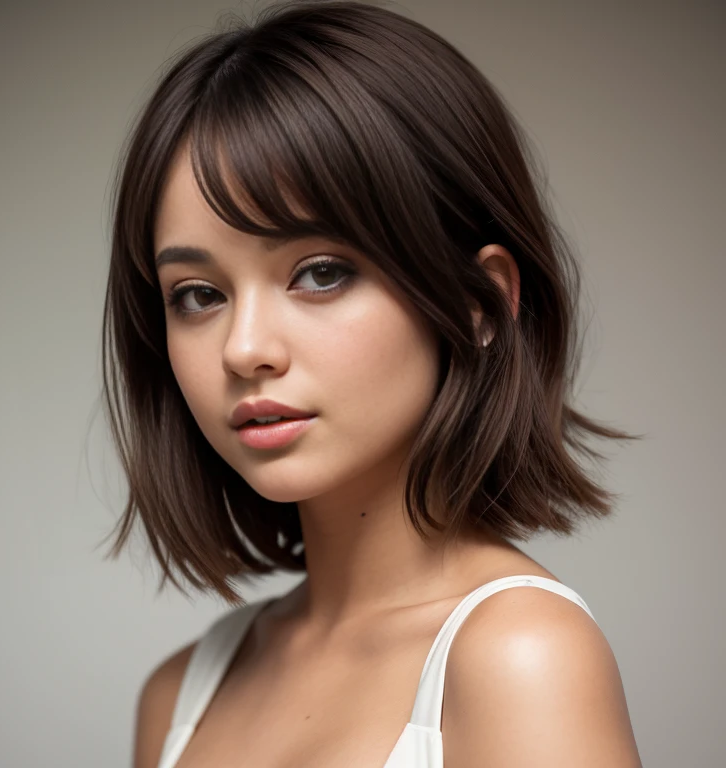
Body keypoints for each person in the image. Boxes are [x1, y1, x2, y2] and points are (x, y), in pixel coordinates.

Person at [100, 1, 643, 765]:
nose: (244, 349)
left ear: (478, 301)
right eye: (198, 294)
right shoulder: (178, 696)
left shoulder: (522, 660)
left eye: (320, 273)